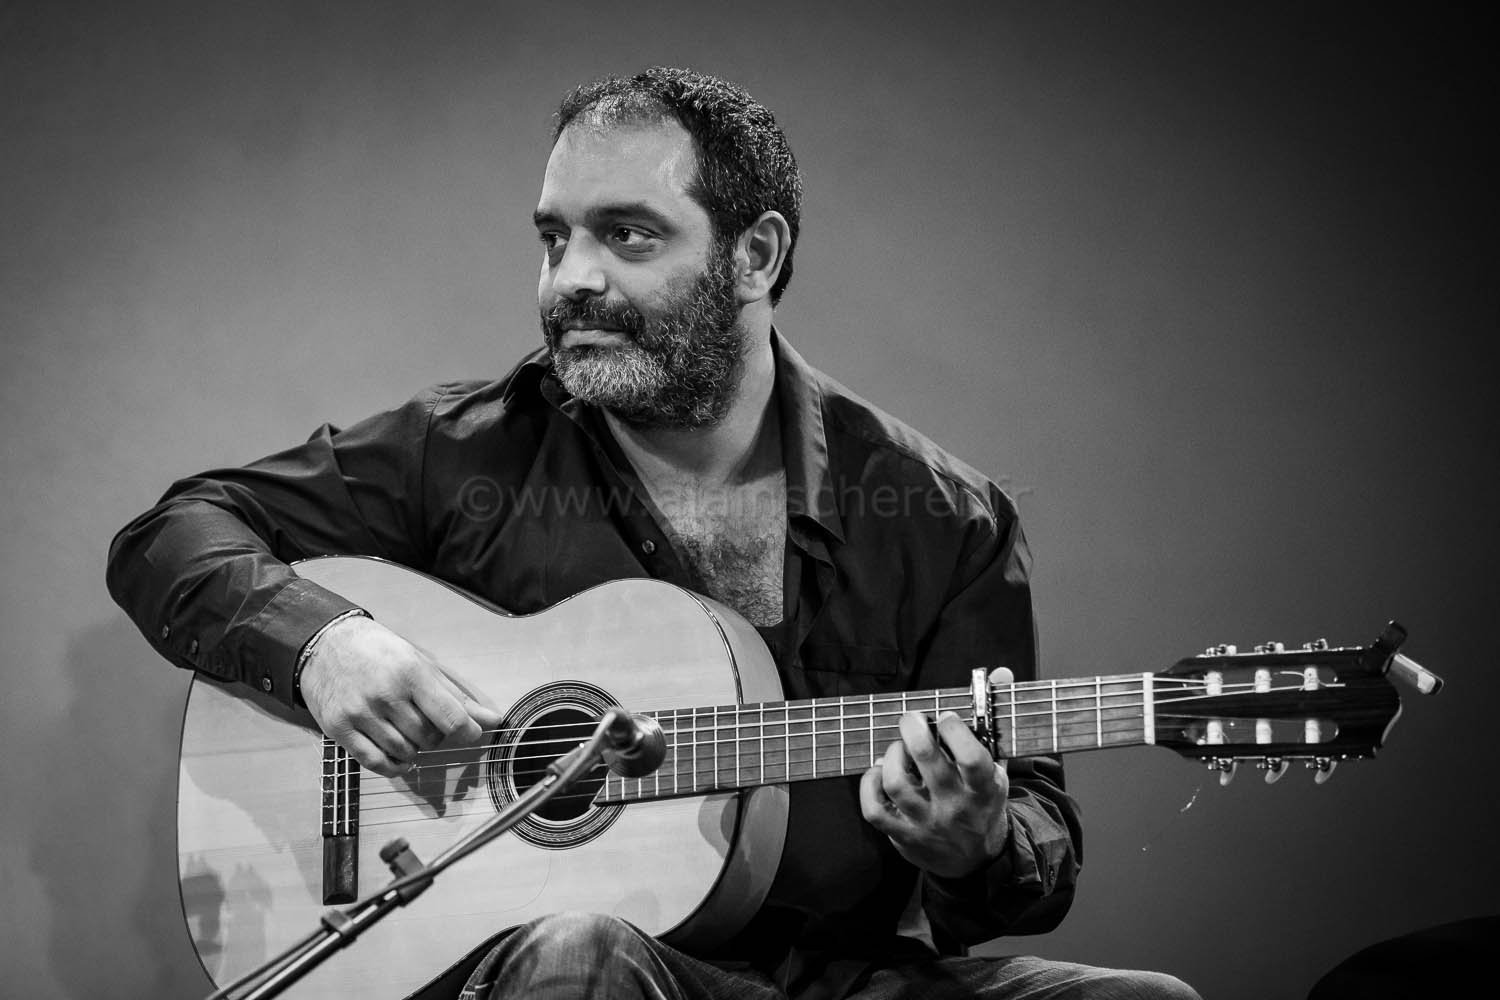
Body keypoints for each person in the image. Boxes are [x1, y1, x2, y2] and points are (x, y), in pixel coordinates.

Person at [107, 67, 1199, 1000]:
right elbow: (172, 532)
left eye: (626, 234)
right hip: (552, 970)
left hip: (841, 979)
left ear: (754, 255)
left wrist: (977, 842)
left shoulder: (944, 517)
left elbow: (1030, 855)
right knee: (582, 954)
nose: (572, 277)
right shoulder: (465, 451)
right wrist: (322, 643)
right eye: (555, 238)